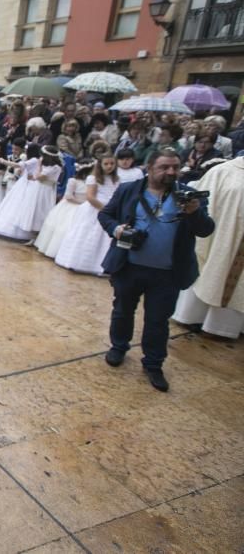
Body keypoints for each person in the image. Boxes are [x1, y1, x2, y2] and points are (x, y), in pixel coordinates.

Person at [98, 148, 215, 391]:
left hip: (167, 273)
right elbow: (105, 215)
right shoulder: (129, 189)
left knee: (158, 321)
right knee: (122, 311)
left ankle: (153, 363)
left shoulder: (188, 195)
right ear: (149, 168)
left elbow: (205, 229)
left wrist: (194, 213)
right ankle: (118, 347)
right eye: (164, 167)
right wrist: (116, 229)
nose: (171, 172)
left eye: (175, 167)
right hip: (128, 266)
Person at [172, 156, 243, 339]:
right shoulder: (224, 171)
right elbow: (200, 208)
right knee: (209, 269)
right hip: (221, 238)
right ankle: (191, 316)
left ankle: (224, 327)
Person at [55, 155, 120, 276]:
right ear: (100, 165)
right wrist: (105, 210)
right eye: (106, 164)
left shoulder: (116, 179)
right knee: (89, 235)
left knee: (105, 239)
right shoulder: (93, 178)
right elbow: (90, 197)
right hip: (96, 209)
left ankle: (103, 265)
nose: (109, 166)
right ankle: (80, 263)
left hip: (111, 210)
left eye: (112, 163)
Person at [34, 158, 93, 259]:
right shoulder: (73, 181)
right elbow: (68, 196)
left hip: (85, 208)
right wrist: (83, 203)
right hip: (72, 207)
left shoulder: (92, 183)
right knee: (63, 229)